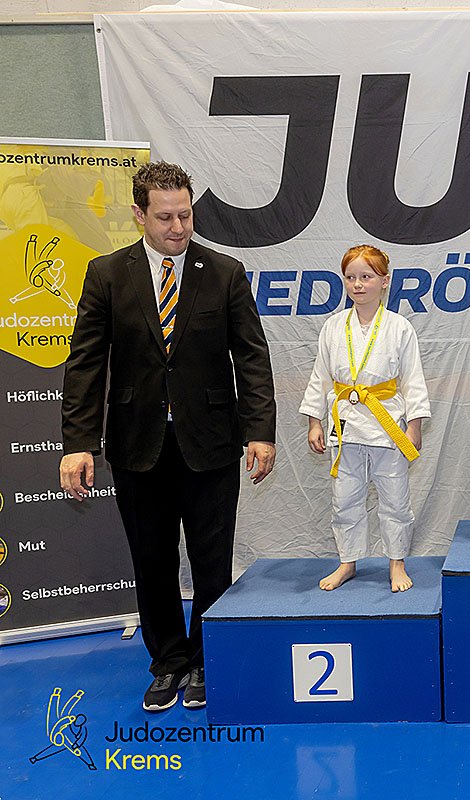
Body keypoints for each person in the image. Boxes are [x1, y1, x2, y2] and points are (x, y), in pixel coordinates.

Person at [60, 161, 276, 713]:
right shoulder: (107, 275)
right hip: (138, 446)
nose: (178, 227)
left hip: (212, 444)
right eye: (165, 217)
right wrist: (78, 442)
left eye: (185, 215)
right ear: (139, 215)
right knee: (151, 561)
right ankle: (168, 662)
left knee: (211, 560)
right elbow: (85, 365)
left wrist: (260, 431)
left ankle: (205, 659)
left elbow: (252, 357)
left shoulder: (224, 272)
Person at [300, 245, 430, 593]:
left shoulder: (400, 327)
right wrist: (314, 421)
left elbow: (413, 379)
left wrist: (415, 424)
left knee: (395, 498)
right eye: (350, 277)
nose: (358, 284)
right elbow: (320, 377)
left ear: (385, 281)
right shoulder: (333, 327)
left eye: (366, 277)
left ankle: (397, 562)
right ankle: (348, 561)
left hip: (387, 424)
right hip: (345, 424)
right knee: (345, 498)